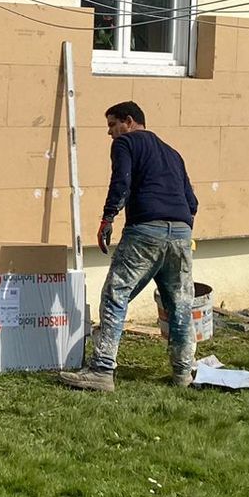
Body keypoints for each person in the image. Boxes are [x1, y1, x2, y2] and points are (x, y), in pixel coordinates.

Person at [60, 100, 200, 392]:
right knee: (180, 304)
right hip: (181, 233)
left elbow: (121, 182)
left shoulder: (126, 144)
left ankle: (101, 370)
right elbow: (192, 203)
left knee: (115, 295)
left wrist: (107, 218)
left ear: (129, 121)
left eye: (112, 125)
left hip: (145, 230)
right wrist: (179, 236)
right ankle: (184, 374)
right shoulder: (173, 154)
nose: (110, 133)